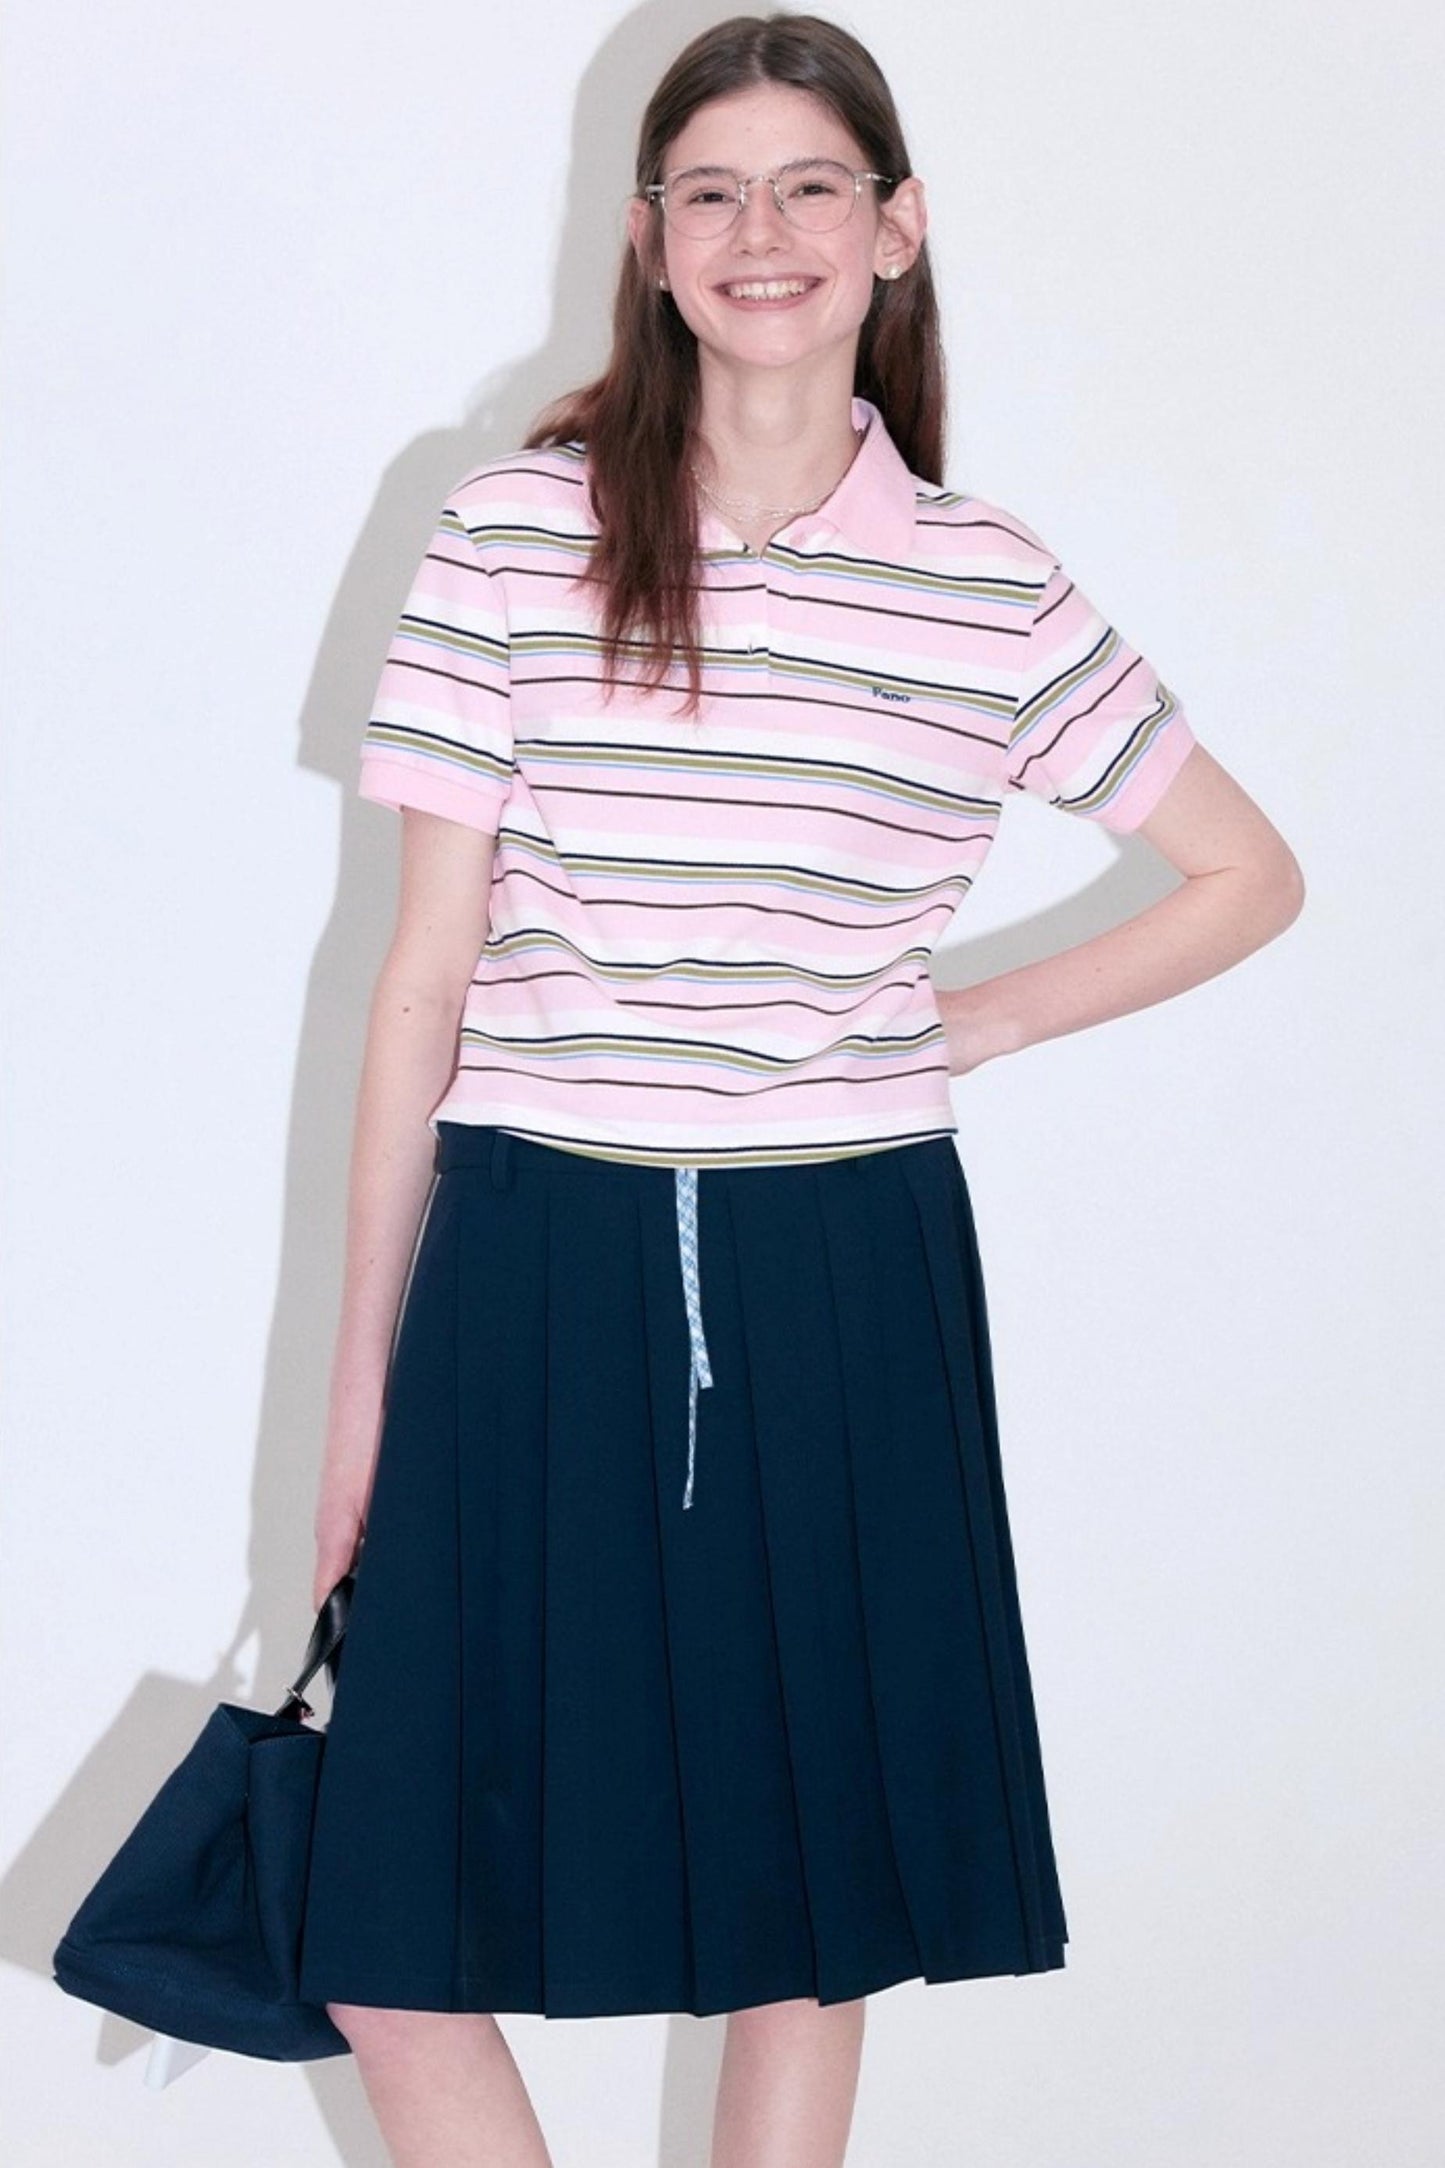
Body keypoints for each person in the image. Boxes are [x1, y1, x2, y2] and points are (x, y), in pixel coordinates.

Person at [296, 13, 1305, 2166]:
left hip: (842, 1258)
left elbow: (1247, 875)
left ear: (895, 228)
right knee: (382, 1934)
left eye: (812, 185)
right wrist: (360, 1385)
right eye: (714, 191)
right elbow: (419, 983)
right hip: (534, 1251)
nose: (763, 231)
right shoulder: (509, 535)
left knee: (803, 1911)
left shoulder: (984, 582)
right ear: (648, 239)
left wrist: (977, 1020)